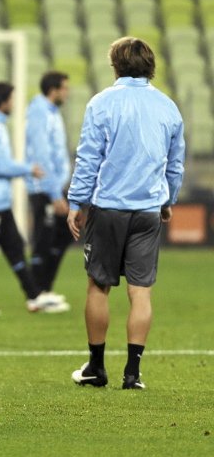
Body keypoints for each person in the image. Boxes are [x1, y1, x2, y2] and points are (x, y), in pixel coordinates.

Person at [68, 37, 185, 390]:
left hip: (110, 208)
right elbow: (175, 165)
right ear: (151, 66)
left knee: (99, 286)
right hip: (148, 209)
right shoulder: (168, 107)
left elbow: (89, 158)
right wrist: (168, 201)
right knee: (141, 291)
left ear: (116, 64)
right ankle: (133, 374)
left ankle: (96, 367)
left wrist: (77, 202)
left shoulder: (102, 103)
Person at [0, 82, 70, 316]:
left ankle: (34, 297)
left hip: (0, 201)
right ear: (3, 101)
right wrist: (27, 169)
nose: (14, 104)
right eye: (12, 99)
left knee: (15, 248)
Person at [25, 71, 72, 307]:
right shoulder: (39, 112)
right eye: (65, 88)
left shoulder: (51, 112)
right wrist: (54, 193)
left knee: (62, 235)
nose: (68, 92)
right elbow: (42, 154)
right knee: (44, 239)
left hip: (54, 186)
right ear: (53, 89)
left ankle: (44, 289)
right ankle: (36, 295)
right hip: (43, 187)